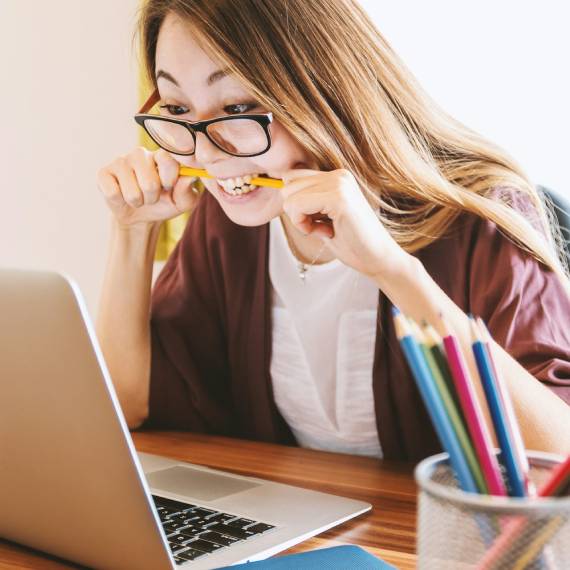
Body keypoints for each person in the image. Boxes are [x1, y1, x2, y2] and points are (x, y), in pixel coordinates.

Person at [96, 0, 570, 461]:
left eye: (237, 105)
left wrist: (393, 271)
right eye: (178, 109)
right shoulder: (229, 220)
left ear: (324, 88)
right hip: (301, 529)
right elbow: (130, 403)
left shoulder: (481, 215)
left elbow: (560, 454)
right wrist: (132, 232)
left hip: (441, 541)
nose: (205, 154)